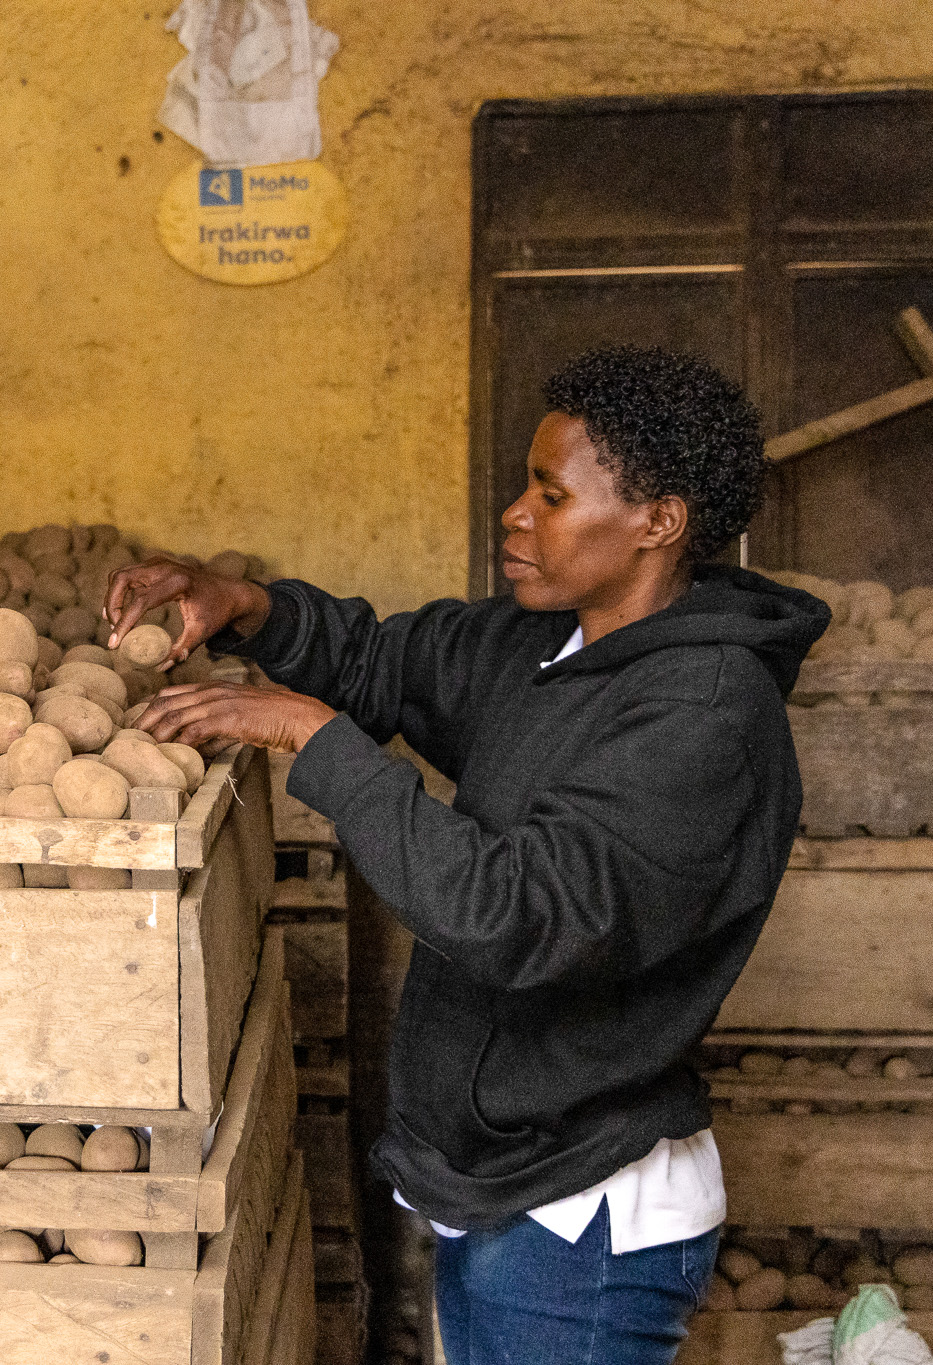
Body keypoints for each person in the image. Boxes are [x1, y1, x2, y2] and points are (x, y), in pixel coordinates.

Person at [107, 346, 830, 1364]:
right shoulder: (546, 643)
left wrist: (317, 743)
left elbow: (517, 917)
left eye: (549, 494)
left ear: (655, 523)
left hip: (582, 1217)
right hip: (504, 1185)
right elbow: (381, 661)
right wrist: (247, 605)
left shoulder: (701, 714)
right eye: (521, 488)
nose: (514, 516)